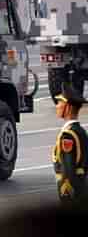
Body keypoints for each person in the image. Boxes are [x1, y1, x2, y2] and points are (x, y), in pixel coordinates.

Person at [53, 74, 88, 204]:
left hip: (72, 190)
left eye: (59, 103)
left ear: (67, 107)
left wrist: (66, 192)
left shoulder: (68, 135)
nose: (57, 106)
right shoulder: (80, 131)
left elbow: (68, 168)